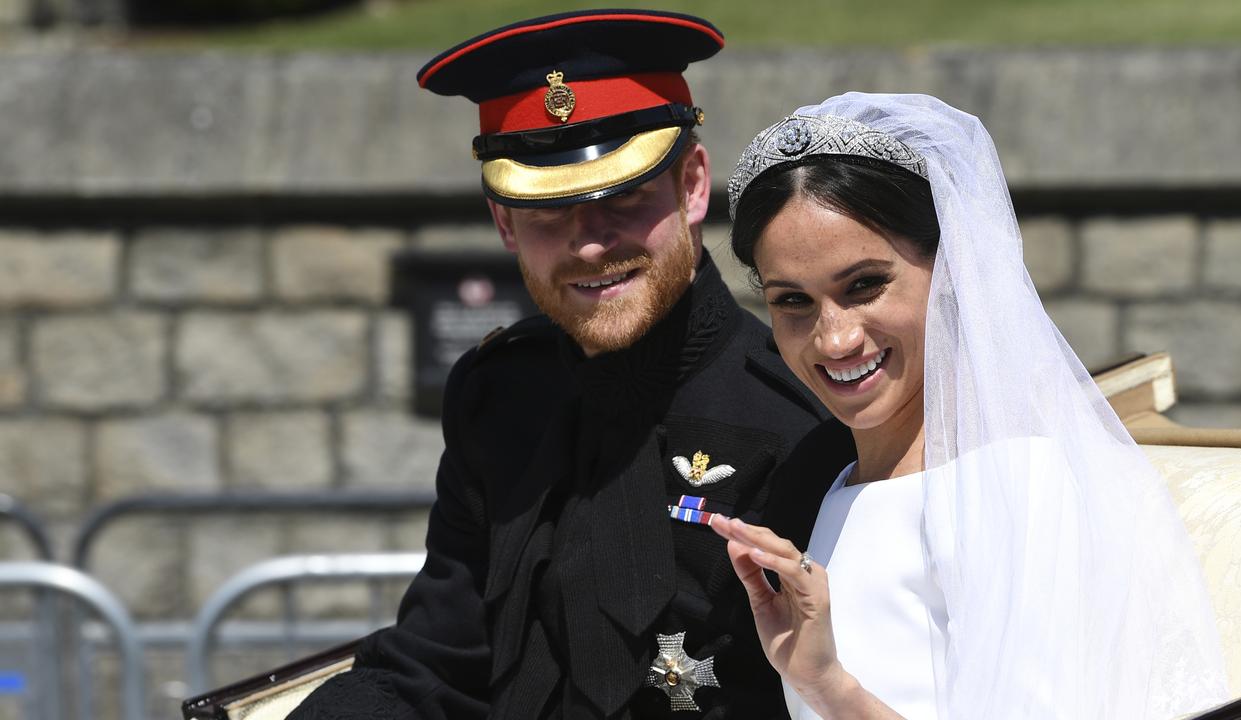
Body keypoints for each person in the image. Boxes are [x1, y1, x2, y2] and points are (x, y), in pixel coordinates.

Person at [286, 10, 851, 720]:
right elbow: (438, 664)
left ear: (694, 186)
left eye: (625, 197)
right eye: (549, 211)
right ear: (504, 223)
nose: (590, 244)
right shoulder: (500, 398)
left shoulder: (804, 415)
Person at [708, 93, 1228, 719]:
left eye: (865, 285)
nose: (835, 338)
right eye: (792, 301)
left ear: (950, 270)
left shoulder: (1015, 485)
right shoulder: (836, 488)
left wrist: (829, 687)